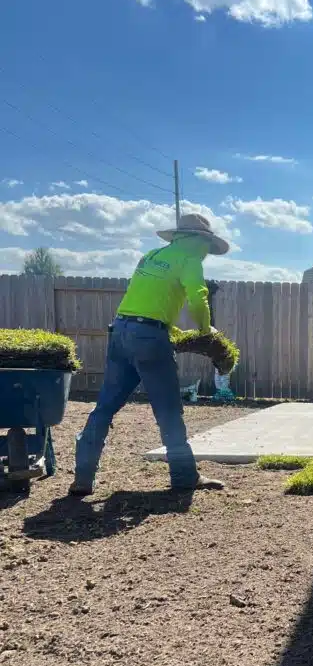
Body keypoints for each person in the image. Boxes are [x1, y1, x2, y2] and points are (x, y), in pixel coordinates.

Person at [69, 213, 229, 496]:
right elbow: (197, 297)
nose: (207, 254)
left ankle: (83, 477)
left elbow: (149, 304)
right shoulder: (189, 259)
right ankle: (184, 477)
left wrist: (171, 331)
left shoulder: (152, 256)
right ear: (197, 240)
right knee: (168, 410)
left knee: (105, 406)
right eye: (207, 246)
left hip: (121, 330)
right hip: (149, 337)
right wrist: (206, 331)